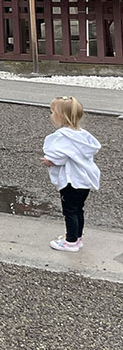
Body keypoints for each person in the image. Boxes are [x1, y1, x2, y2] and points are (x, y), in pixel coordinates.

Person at [42, 95, 101, 252]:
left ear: (61, 116)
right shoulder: (82, 135)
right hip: (84, 180)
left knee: (69, 211)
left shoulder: (64, 136)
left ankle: (70, 242)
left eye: (52, 112)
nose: (50, 115)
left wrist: (50, 161)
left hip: (71, 181)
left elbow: (60, 155)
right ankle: (77, 237)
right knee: (78, 209)